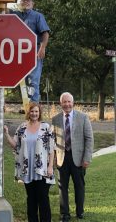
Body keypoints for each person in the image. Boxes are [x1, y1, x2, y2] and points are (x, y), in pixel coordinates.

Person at [4, 102, 55, 222]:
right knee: (31, 199)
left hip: (42, 169)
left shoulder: (46, 127)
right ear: (28, 113)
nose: (34, 113)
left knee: (43, 198)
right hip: (27, 169)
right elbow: (15, 145)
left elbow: (51, 149)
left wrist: (50, 167)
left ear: (39, 113)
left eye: (36, 111)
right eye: (32, 111)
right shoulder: (22, 127)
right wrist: (6, 134)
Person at [52, 92, 94, 222]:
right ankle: (65, 214)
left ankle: (79, 212)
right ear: (61, 104)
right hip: (61, 158)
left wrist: (87, 158)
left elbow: (89, 139)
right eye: (64, 102)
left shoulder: (83, 117)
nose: (67, 104)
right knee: (62, 187)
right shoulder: (55, 119)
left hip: (79, 159)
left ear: (73, 102)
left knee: (79, 186)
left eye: (69, 101)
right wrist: (53, 158)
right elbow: (53, 140)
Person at [9, 0, 50, 102]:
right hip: (18, 53)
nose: (26, 1)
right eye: (23, 0)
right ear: (20, 3)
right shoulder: (15, 15)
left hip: (34, 52)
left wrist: (42, 48)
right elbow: (2, 11)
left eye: (28, 0)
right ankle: (27, 107)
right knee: (22, 82)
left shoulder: (37, 16)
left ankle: (34, 108)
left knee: (33, 81)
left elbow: (45, 33)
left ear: (32, 3)